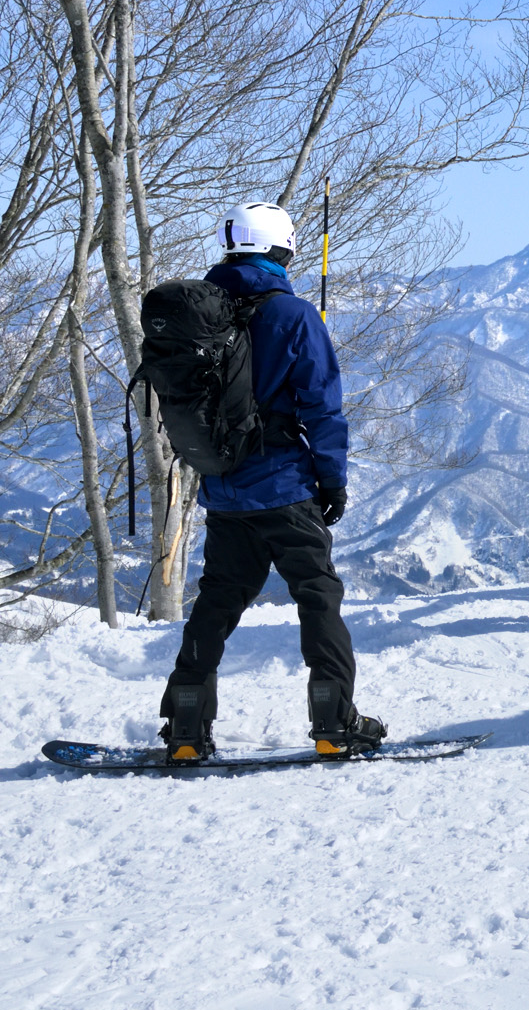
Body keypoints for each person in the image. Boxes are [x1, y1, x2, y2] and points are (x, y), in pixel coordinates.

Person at [159, 201, 382, 762]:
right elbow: (322, 409)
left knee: (217, 600)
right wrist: (332, 480)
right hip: (285, 485)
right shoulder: (293, 314)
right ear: (281, 249)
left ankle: (186, 728)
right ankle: (334, 723)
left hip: (222, 486)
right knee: (317, 596)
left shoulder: (201, 313)